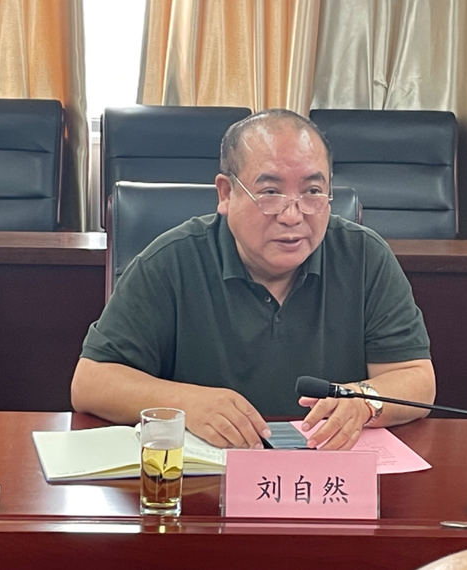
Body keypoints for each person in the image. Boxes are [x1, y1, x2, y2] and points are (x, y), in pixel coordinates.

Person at [71, 108, 435, 450]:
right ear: (226, 194)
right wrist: (185, 402)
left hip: (328, 473)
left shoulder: (364, 256)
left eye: (312, 192)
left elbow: (416, 377)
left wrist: (365, 401)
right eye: (270, 192)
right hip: (209, 479)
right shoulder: (171, 260)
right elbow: (91, 381)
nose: (292, 215)